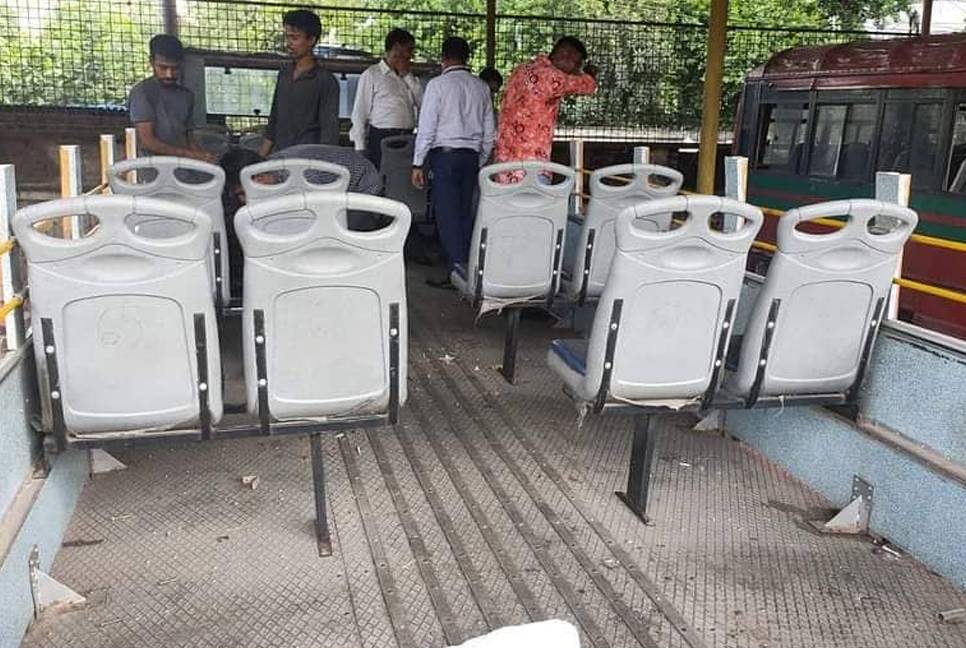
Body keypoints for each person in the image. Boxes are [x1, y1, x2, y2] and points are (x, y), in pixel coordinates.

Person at [412, 36, 494, 284]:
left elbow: (427, 126)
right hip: (470, 157)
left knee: (447, 214)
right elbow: (489, 131)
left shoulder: (438, 85)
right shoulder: (481, 87)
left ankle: (457, 271)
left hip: (444, 157)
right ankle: (470, 267)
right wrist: (480, 158)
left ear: (443, 59)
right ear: (467, 58)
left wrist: (418, 162)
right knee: (465, 211)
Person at [493, 36, 597, 180]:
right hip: (530, 170)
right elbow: (586, 86)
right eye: (577, 64)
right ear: (565, 56)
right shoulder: (551, 77)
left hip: (504, 165)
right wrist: (589, 74)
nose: (575, 71)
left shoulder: (522, 69)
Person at [260, 10, 340, 156]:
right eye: (287, 37)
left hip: (308, 160)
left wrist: (324, 167)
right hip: (280, 155)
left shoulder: (325, 80)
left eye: (294, 38)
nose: (289, 43)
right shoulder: (284, 73)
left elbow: (329, 133)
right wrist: (260, 159)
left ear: (311, 40)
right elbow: (273, 120)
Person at [128, 35, 214, 161]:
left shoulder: (186, 96)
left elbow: (187, 137)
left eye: (175, 68)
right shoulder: (142, 92)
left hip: (183, 168)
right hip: (152, 167)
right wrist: (192, 155)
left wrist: (204, 157)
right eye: (163, 68)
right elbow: (148, 141)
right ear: (152, 62)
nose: (169, 74)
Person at [350, 29, 422, 170]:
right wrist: (360, 147)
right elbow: (360, 112)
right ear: (396, 49)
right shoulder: (372, 74)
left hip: (407, 136)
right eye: (408, 51)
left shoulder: (410, 78)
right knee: (381, 179)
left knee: (402, 182)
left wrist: (406, 75)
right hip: (383, 137)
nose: (410, 56)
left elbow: (422, 103)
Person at [270, 143, 382, 196]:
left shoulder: (304, 174)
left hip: (364, 184)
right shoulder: (271, 162)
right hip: (338, 178)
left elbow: (321, 206)